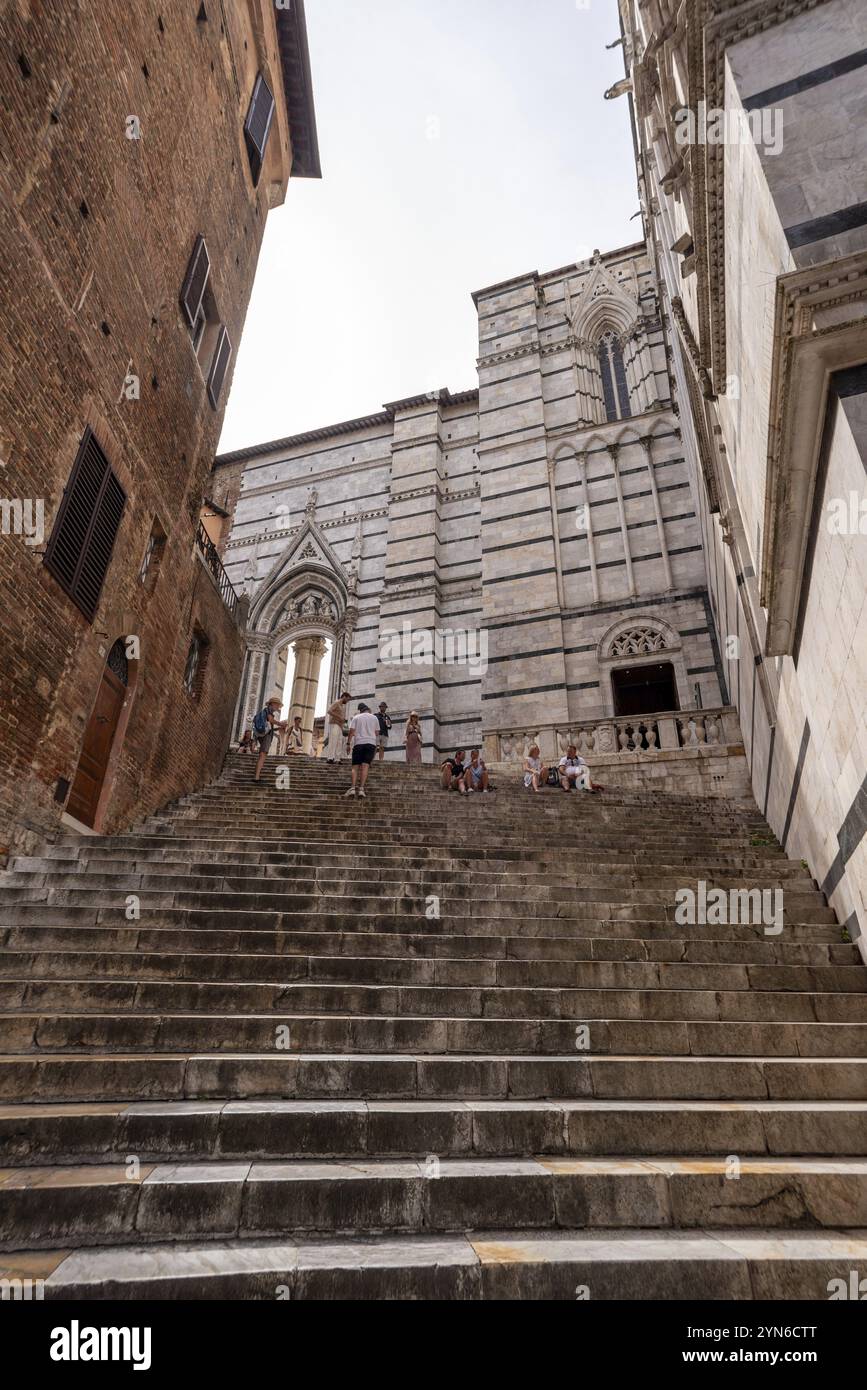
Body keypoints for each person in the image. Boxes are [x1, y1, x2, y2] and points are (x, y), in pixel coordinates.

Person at [345, 702, 380, 798]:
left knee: (355, 767)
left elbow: (351, 732)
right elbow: (377, 733)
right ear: (368, 709)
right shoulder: (374, 718)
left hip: (359, 743)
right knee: (365, 766)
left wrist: (348, 744)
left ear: (360, 710)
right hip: (370, 744)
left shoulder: (356, 717)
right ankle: (361, 789)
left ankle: (352, 788)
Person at [252, 697, 282, 782]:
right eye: (277, 705)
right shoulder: (269, 710)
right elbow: (271, 720)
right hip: (266, 735)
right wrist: (280, 724)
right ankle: (256, 777)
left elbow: (268, 725)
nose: (278, 707)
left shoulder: (265, 711)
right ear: (272, 704)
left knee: (262, 755)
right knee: (262, 755)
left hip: (262, 733)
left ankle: (257, 776)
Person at [326, 692, 351, 763]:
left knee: (339, 742)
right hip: (334, 724)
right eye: (347, 699)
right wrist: (339, 717)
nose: (347, 701)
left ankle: (337, 759)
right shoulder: (336, 703)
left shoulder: (342, 706)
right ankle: (330, 758)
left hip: (340, 725)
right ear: (344, 697)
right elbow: (329, 711)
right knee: (333, 740)